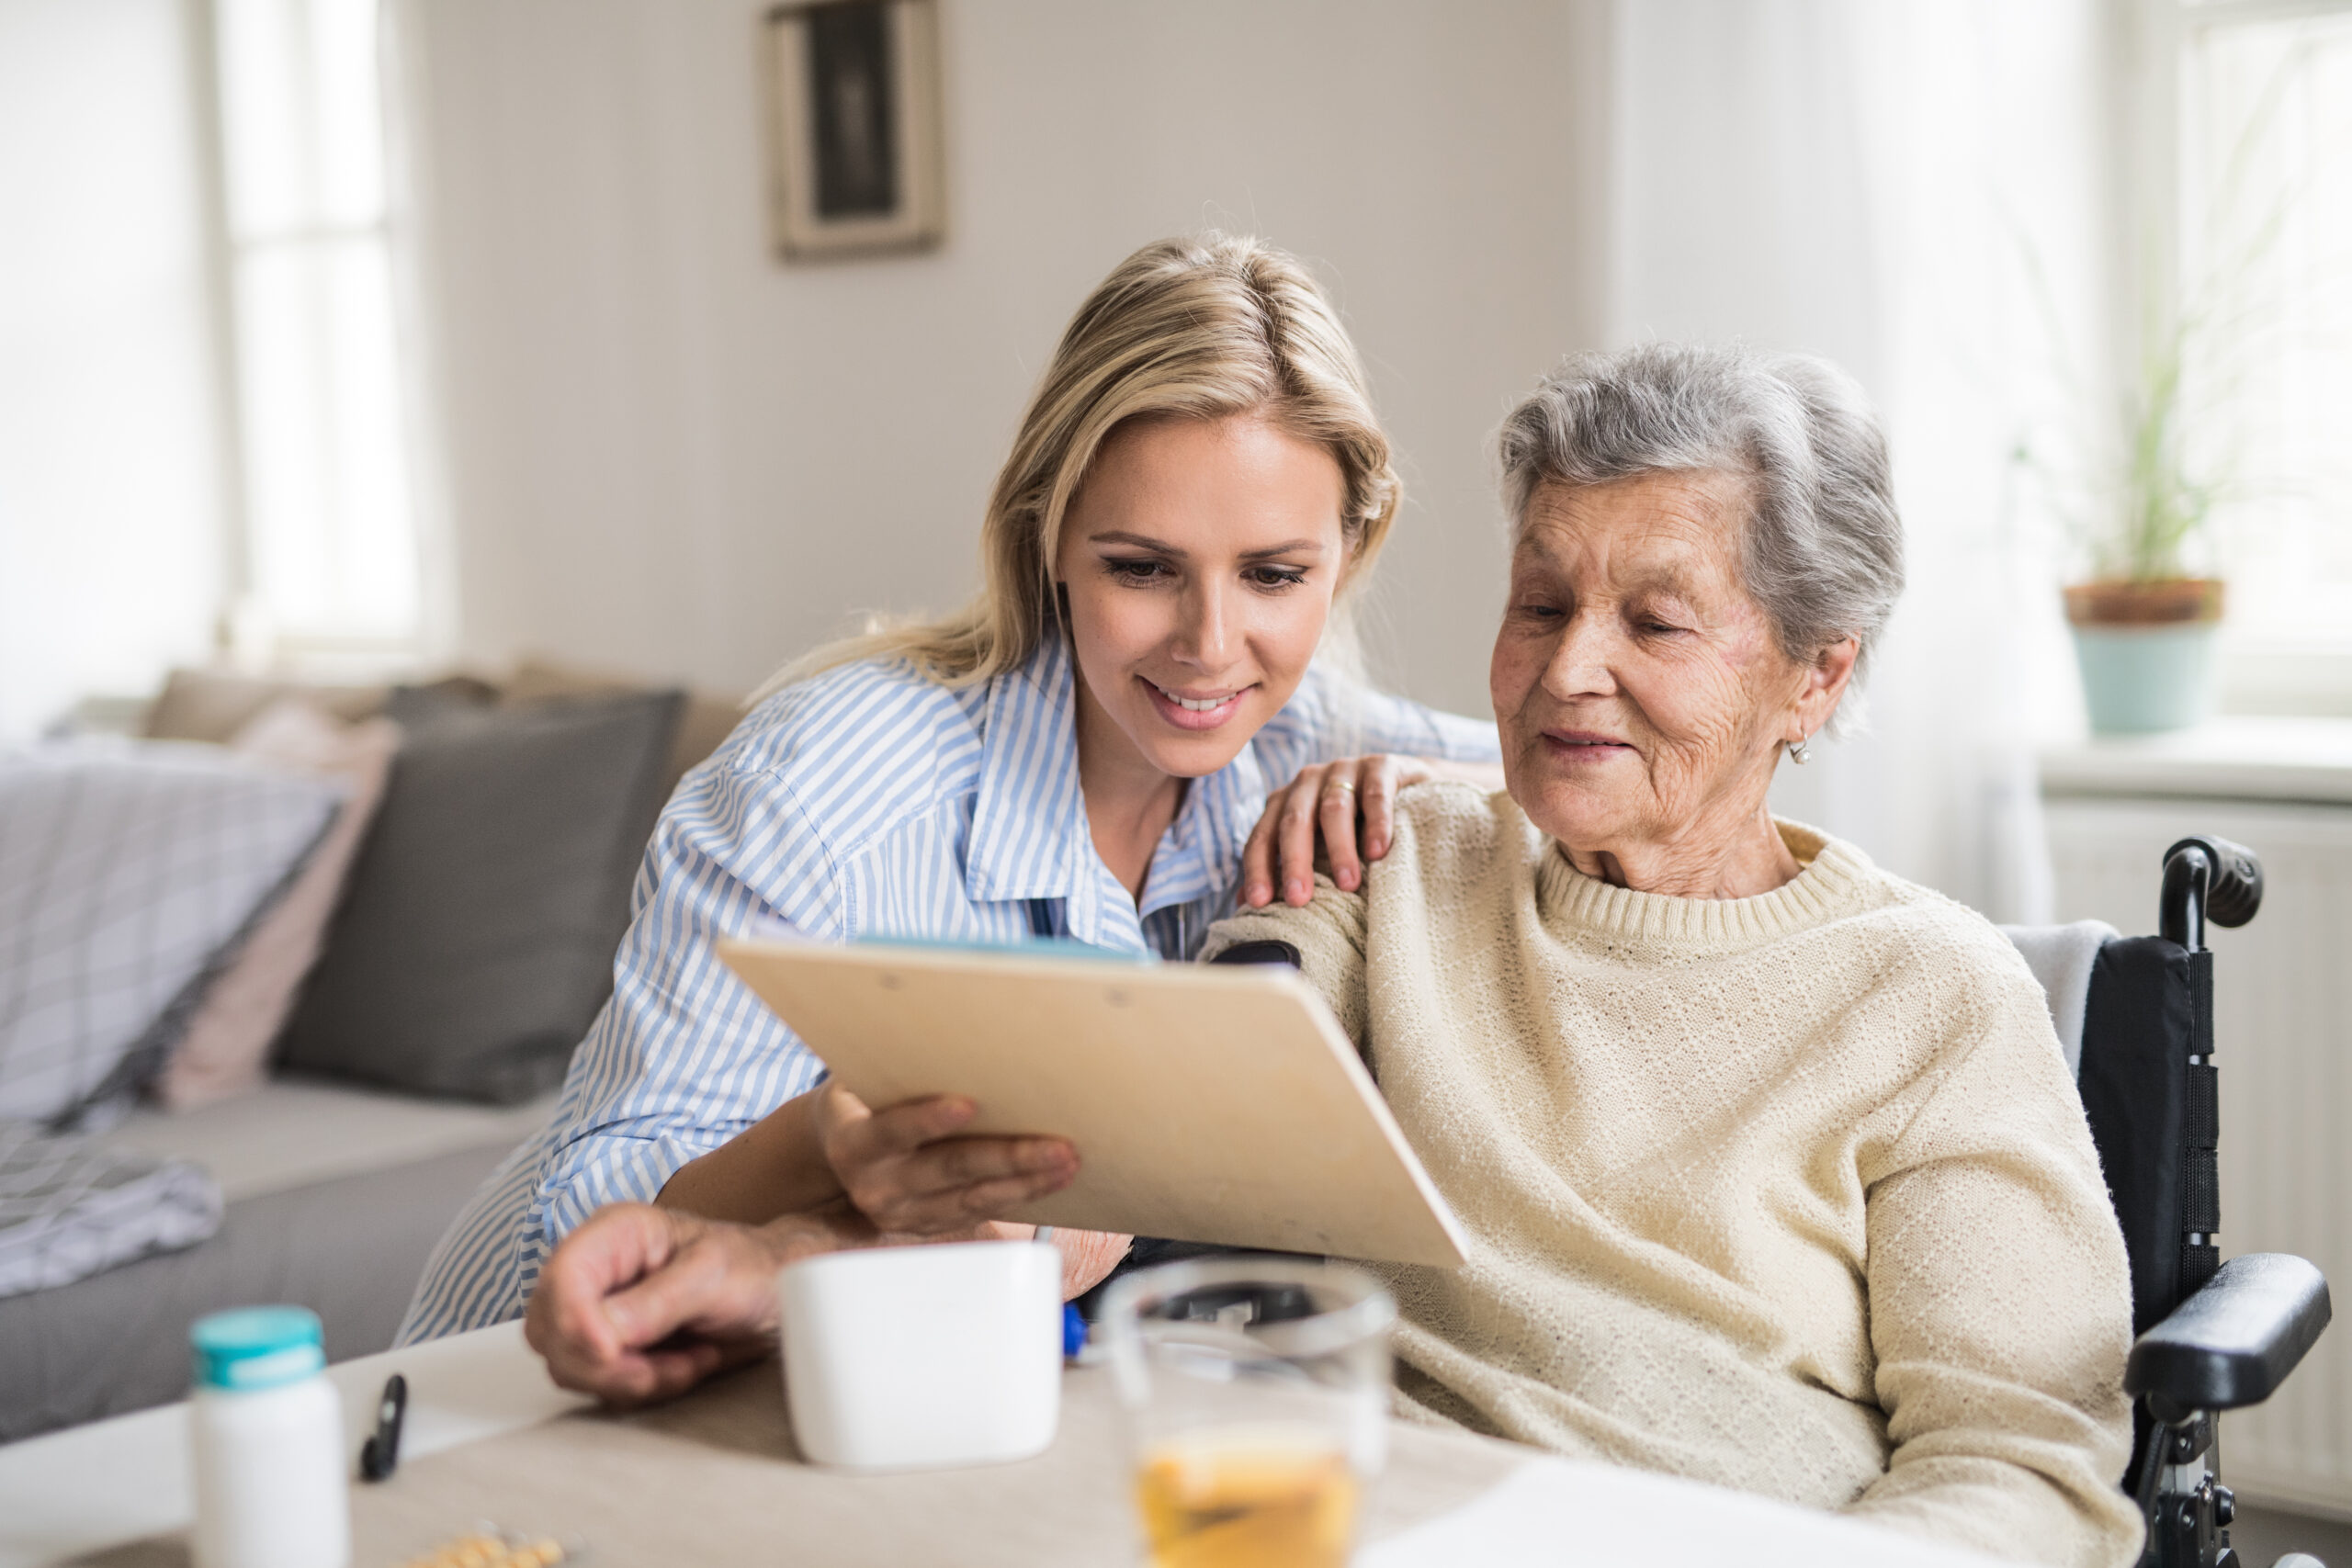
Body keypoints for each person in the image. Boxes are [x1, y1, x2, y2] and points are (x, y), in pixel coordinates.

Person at [397, 233, 1501, 1369]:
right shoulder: (823, 786)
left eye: (1273, 575)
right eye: (1141, 568)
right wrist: (830, 1145)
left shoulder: (1314, 737)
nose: (1211, 648)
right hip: (500, 1389)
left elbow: (1597, 774)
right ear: (1049, 537)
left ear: (1351, 552)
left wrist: (1425, 784)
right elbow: (578, 1235)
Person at [1197, 343, 2142, 1566]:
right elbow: (1167, 1114)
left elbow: (2021, 1466)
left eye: (1656, 619)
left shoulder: (1933, 997)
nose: (1568, 667)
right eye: (1540, 604)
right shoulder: (1387, 862)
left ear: (1817, 673)